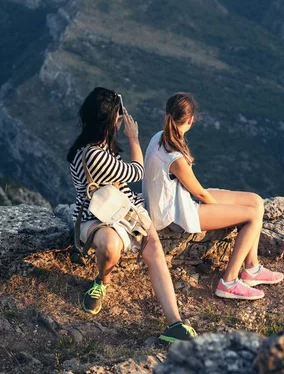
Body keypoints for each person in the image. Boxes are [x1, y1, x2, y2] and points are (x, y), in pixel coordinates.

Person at [67, 87, 197, 342]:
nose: (121, 119)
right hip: (97, 216)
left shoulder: (96, 143)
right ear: (108, 120)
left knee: (154, 250)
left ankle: (175, 323)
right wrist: (134, 138)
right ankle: (101, 282)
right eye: (118, 115)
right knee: (110, 245)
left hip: (124, 209)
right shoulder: (93, 154)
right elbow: (137, 171)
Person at [143, 92, 284, 301]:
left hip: (178, 201)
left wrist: (214, 202)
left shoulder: (160, 137)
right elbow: (199, 193)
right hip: (175, 215)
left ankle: (251, 268)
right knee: (252, 216)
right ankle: (228, 281)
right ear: (190, 120)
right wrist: (216, 206)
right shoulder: (174, 156)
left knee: (256, 200)